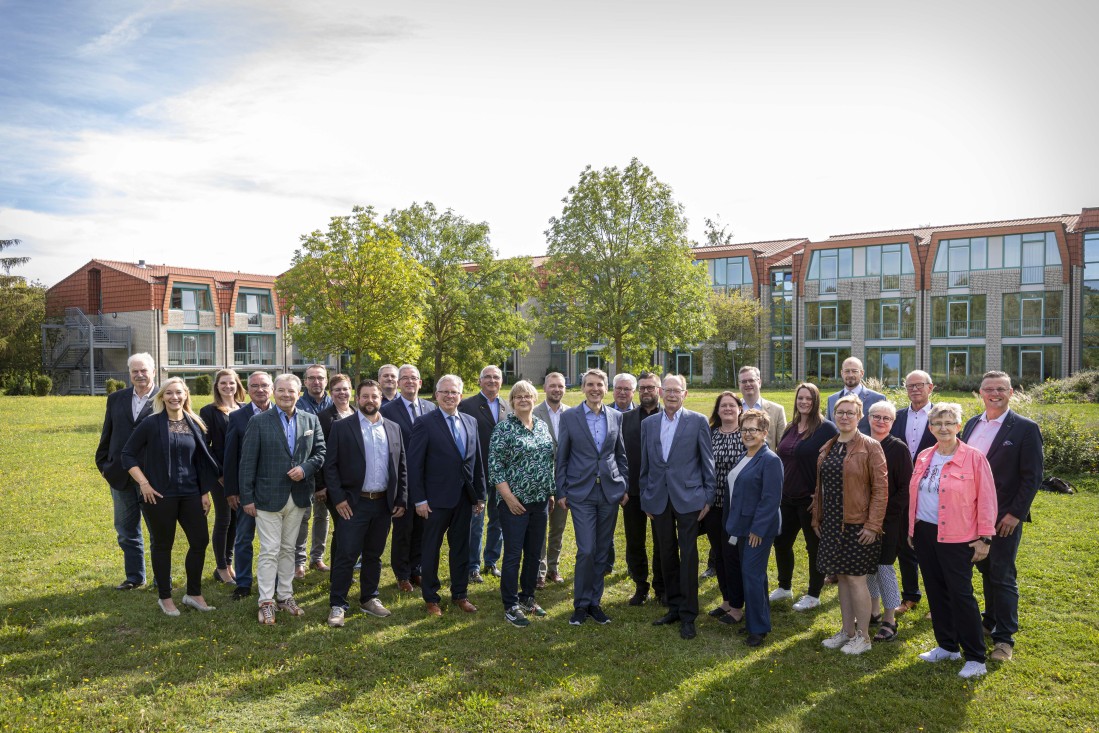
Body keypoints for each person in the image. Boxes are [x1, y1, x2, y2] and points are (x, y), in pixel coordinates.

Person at [961, 371, 1043, 663]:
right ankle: (990, 618)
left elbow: (1032, 476)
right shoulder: (971, 424)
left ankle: (1004, 638)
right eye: (988, 389)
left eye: (1000, 389)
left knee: (1003, 573)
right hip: (971, 513)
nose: (994, 394)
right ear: (980, 393)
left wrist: (1015, 515)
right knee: (984, 568)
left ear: (1011, 392)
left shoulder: (1024, 428)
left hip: (1003, 516)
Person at [911, 402, 997, 678]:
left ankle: (975, 657)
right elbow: (916, 495)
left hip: (958, 536)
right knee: (935, 591)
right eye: (938, 423)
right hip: (925, 533)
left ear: (959, 426)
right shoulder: (924, 455)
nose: (943, 428)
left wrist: (985, 537)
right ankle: (947, 646)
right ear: (930, 427)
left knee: (961, 595)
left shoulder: (974, 458)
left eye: (949, 423)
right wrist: (912, 530)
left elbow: (986, 500)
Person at [121, 378, 219, 616]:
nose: (175, 397)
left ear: (186, 396)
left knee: (200, 541)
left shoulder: (194, 423)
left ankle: (193, 593)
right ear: (162, 397)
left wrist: (204, 492)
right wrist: (143, 483)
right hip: (160, 496)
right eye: (169, 393)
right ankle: (165, 597)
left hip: (191, 495)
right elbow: (127, 455)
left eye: (179, 393)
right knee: (163, 545)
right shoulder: (151, 424)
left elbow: (199, 462)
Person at [238, 373, 326, 625]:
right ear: (274, 392)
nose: (287, 395)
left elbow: (321, 452)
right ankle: (266, 601)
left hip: (298, 496)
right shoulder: (259, 422)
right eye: (282, 390)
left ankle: (285, 595)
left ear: (299, 393)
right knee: (269, 550)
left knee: (289, 549)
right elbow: (247, 463)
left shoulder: (311, 420)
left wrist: (306, 468)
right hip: (267, 497)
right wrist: (247, 498)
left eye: (291, 391)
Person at [324, 380, 407, 627]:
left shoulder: (393, 428)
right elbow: (330, 467)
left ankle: (369, 597)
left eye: (374, 396)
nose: (370, 400)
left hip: (383, 504)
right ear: (357, 399)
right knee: (346, 555)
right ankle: (338, 604)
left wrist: (400, 498)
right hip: (353, 503)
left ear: (381, 398)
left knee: (374, 554)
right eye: (365, 396)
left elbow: (401, 467)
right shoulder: (342, 427)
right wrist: (338, 499)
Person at [640, 373, 716, 641]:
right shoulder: (649, 424)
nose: (672, 395)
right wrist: (645, 496)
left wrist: (709, 497)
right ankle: (673, 606)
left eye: (677, 390)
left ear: (685, 394)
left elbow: (707, 462)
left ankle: (688, 613)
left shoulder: (696, 422)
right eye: (668, 390)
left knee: (689, 555)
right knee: (666, 553)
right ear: (660, 393)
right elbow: (646, 464)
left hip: (689, 499)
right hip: (659, 498)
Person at [813, 394, 888, 655]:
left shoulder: (870, 446)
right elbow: (820, 487)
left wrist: (872, 525)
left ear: (860, 416)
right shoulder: (829, 445)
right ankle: (847, 631)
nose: (844, 416)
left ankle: (864, 637)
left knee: (856, 580)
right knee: (843, 579)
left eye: (850, 412)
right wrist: (817, 517)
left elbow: (881, 489)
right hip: (833, 523)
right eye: (840, 412)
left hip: (859, 524)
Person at [408, 374, 486, 617]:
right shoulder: (425, 422)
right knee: (431, 549)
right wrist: (419, 499)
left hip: (464, 498)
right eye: (445, 392)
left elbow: (477, 462)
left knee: (461, 547)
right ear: (437, 395)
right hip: (434, 500)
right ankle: (431, 598)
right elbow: (414, 464)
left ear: (460, 396)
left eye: (454, 392)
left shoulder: (471, 422)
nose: (450, 396)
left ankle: (460, 594)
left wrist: (480, 495)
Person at [555, 368, 628, 627]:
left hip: (609, 492)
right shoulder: (570, 417)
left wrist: (624, 485)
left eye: (599, 384)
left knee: (601, 550)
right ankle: (580, 604)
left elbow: (620, 454)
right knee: (586, 550)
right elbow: (562, 456)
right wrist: (561, 490)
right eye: (590, 384)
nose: (595, 388)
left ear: (605, 388)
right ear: (582, 388)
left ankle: (595, 602)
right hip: (581, 492)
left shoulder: (616, 416)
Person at [488, 380, 555, 627]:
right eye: (518, 397)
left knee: (535, 553)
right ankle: (510, 604)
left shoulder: (541, 426)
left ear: (534, 399)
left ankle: (527, 597)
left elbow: (548, 461)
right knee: (514, 554)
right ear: (512, 402)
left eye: (528, 396)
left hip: (539, 502)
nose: (524, 400)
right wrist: (508, 498)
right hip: (514, 504)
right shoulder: (503, 430)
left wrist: (550, 491)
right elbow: (495, 468)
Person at [772, 383, 837, 611]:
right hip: (786, 497)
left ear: (816, 400)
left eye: (809, 398)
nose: (804, 402)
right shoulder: (790, 427)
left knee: (814, 547)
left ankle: (813, 593)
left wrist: (821, 495)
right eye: (801, 398)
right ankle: (785, 586)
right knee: (781, 542)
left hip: (810, 500)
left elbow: (834, 465)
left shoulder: (827, 429)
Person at [95, 352, 157, 590]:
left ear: (153, 371)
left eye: (144, 370)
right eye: (135, 371)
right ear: (129, 373)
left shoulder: (165, 397)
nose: (140, 375)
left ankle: (161, 579)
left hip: (152, 478)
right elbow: (107, 434)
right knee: (126, 530)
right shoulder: (116, 399)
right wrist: (104, 465)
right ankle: (135, 577)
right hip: (120, 476)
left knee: (157, 532)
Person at [725, 408, 783, 647]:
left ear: (765, 432)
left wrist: (758, 529)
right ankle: (756, 619)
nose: (748, 433)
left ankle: (758, 629)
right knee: (753, 575)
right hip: (741, 526)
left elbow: (771, 499)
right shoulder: (745, 455)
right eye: (744, 429)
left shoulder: (770, 460)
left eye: (753, 429)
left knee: (752, 574)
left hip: (758, 529)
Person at [381, 364, 437, 592]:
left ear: (420, 382)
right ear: (398, 383)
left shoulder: (431, 407)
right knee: (404, 528)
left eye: (414, 378)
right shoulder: (387, 410)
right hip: (402, 479)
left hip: (428, 479)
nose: (409, 382)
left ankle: (417, 569)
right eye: (404, 378)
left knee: (423, 527)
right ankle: (402, 573)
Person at [865, 401, 913, 642]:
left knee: (884, 567)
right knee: (868, 567)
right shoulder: (861, 444)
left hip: (889, 520)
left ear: (893, 422)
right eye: (877, 416)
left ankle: (890, 619)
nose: (881, 421)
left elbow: (906, 488)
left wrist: (882, 515)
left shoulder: (899, 448)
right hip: (862, 519)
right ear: (868, 417)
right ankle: (873, 611)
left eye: (886, 418)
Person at [889, 370, 936, 616]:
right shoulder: (896, 417)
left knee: (933, 546)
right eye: (910, 386)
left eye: (920, 385)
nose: (915, 390)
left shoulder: (941, 416)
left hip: (932, 491)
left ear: (931, 388)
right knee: (905, 544)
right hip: (903, 490)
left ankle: (939, 599)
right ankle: (910, 596)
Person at [223, 371, 273, 600]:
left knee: (273, 542)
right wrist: (232, 490)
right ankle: (243, 583)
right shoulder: (237, 417)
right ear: (248, 389)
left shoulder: (282, 414)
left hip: (275, 491)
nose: (260, 390)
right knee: (243, 538)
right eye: (255, 386)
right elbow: (230, 457)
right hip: (247, 491)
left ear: (271, 388)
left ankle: (273, 581)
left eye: (264, 385)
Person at [460, 365, 509, 583]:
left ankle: (491, 561)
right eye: (487, 377)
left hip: (502, 474)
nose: (491, 380)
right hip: (476, 474)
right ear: (480, 381)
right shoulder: (467, 405)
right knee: (476, 520)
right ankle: (472, 566)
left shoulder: (508, 406)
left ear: (501, 381)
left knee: (498, 519)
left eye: (496, 377)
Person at [621, 370, 665, 605]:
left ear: (659, 390)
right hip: (633, 492)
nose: (647, 391)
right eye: (643, 387)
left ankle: (661, 586)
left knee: (662, 540)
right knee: (634, 541)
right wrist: (623, 487)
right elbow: (618, 456)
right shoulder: (626, 419)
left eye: (651, 387)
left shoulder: (668, 418)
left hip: (660, 491)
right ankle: (640, 585)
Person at [199, 368, 246, 585]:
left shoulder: (244, 409)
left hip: (241, 474)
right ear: (217, 387)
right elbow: (204, 447)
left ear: (238, 385)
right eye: (223, 383)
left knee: (236, 520)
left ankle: (229, 564)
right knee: (224, 519)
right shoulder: (209, 411)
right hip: (220, 475)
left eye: (232, 383)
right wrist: (219, 474)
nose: (228, 387)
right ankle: (220, 567)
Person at [705, 391, 747, 625]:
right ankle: (726, 600)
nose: (728, 409)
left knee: (733, 556)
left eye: (732, 405)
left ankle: (738, 606)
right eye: (724, 406)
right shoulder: (710, 434)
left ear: (740, 409)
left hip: (738, 508)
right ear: (718, 410)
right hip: (714, 506)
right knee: (719, 554)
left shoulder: (747, 434)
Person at [295, 364, 333, 577]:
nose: (316, 382)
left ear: (326, 380)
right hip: (303, 471)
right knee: (302, 517)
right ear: (305, 381)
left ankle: (317, 558)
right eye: (312, 378)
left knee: (322, 516)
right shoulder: (297, 405)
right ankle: (298, 561)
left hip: (327, 473)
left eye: (320, 378)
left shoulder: (334, 404)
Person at [533, 372, 569, 589]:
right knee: (539, 527)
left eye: (560, 386)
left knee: (558, 527)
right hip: (540, 480)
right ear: (544, 388)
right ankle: (539, 570)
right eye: (552, 386)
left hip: (564, 480)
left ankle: (553, 568)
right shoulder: (534, 413)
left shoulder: (572, 414)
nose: (556, 389)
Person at [316, 373, 355, 569]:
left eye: (345, 389)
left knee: (353, 527)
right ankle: (339, 571)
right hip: (334, 485)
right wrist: (321, 485)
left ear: (351, 390)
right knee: (342, 527)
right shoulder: (324, 418)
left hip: (356, 484)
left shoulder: (358, 413)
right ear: (331, 393)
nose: (342, 393)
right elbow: (318, 453)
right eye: (337, 390)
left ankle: (349, 566)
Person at [825, 357, 886, 434]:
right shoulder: (832, 399)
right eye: (847, 371)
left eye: (854, 371)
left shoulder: (878, 399)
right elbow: (829, 430)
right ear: (842, 373)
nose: (850, 375)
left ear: (862, 373)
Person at [737, 366, 787, 449]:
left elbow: (783, 446)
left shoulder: (777, 411)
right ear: (739, 385)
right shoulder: (732, 410)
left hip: (767, 461)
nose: (748, 384)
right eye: (744, 381)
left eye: (751, 380)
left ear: (759, 382)